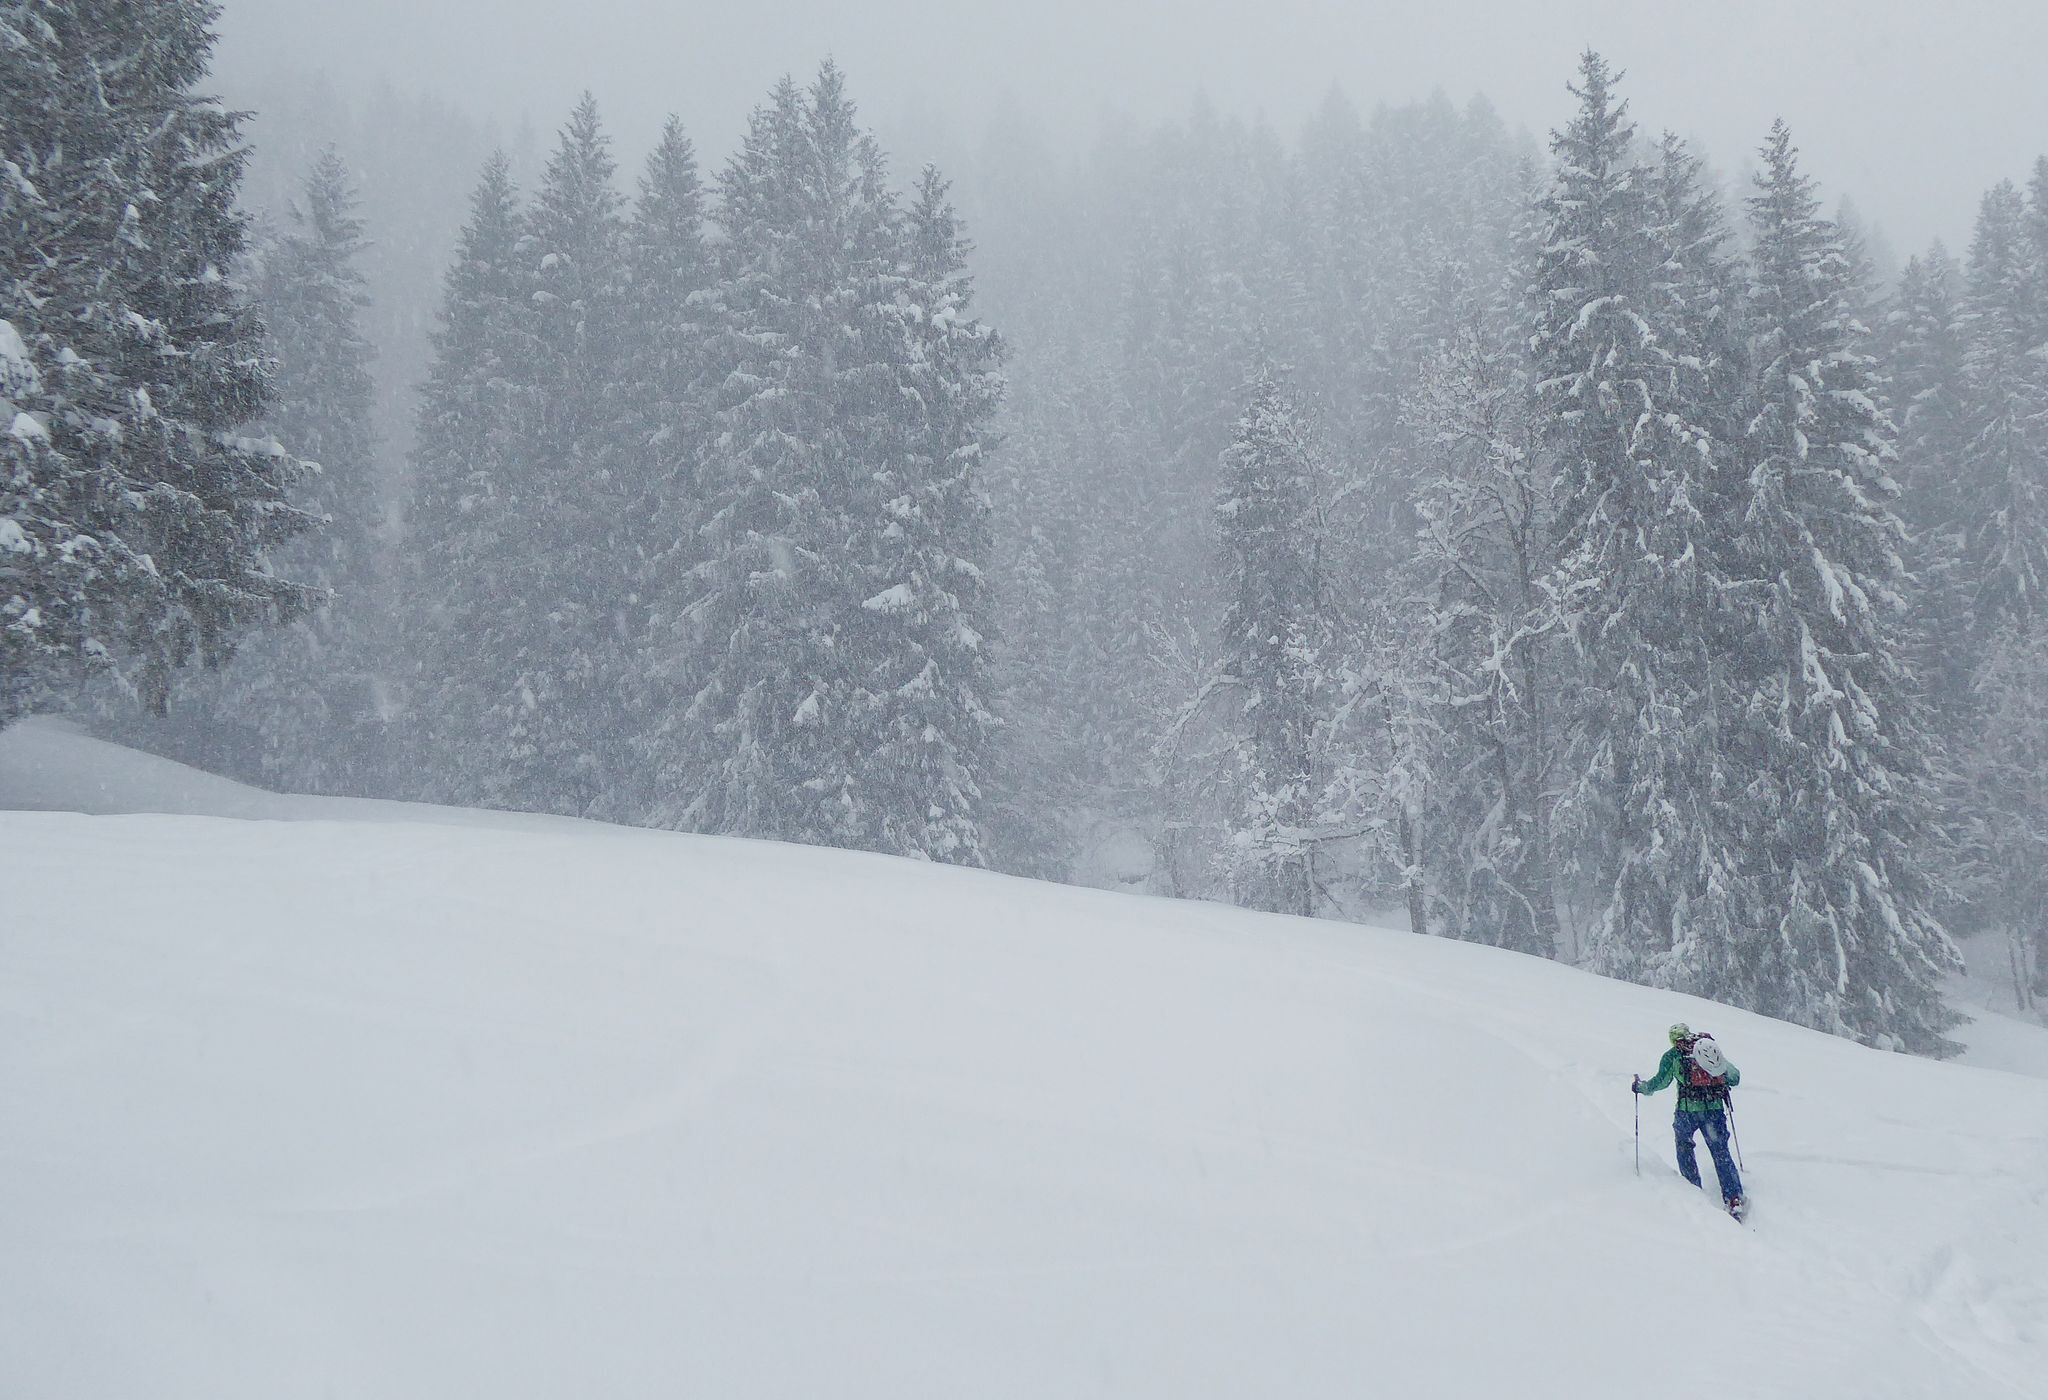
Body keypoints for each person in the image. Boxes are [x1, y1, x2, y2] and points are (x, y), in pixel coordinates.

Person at [1633, 1022, 1744, 1214]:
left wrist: (1641, 1087)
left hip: (1687, 1111)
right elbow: (1734, 1077)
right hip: (1715, 1111)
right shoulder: (1706, 1049)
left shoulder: (1673, 1056)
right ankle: (1734, 1198)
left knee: (1684, 1147)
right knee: (1721, 1152)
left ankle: (1693, 1191)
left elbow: (1660, 1082)